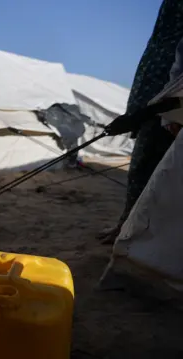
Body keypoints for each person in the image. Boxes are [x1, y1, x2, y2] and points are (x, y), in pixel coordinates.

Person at [99, 0, 183, 244]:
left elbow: (176, 86)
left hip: (169, 109)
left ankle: (134, 233)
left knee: (161, 174)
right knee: (141, 168)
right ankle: (126, 227)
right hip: (155, 107)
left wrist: (141, 114)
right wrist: (138, 114)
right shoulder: (164, 36)